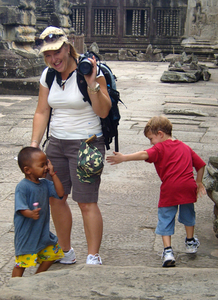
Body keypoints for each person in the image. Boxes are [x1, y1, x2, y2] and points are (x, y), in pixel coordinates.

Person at [31, 26, 111, 265]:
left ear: (68, 47)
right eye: (47, 55)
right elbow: (42, 111)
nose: (53, 59)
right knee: (56, 197)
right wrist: (35, 146)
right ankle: (65, 251)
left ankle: (93, 255)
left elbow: (103, 112)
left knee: (86, 201)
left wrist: (92, 84)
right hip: (56, 143)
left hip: (87, 144)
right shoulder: (48, 75)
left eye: (57, 52)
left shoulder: (91, 71)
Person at [106, 115, 206, 267]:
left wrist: (124, 157)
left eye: (151, 138)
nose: (151, 143)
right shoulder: (185, 147)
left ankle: (167, 251)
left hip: (170, 188)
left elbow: (144, 154)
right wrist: (198, 182)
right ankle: (190, 242)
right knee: (188, 215)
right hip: (188, 187)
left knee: (166, 218)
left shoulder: (159, 147)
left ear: (160, 134)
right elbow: (201, 165)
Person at [12, 147, 65, 277]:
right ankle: (14, 285)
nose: (46, 168)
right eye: (42, 165)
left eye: (46, 164)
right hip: (27, 234)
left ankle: (37, 277)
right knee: (22, 263)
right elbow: (20, 207)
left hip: (42, 232)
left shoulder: (45, 184)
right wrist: (29, 213)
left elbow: (60, 193)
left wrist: (53, 174)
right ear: (27, 170)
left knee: (53, 254)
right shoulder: (22, 186)